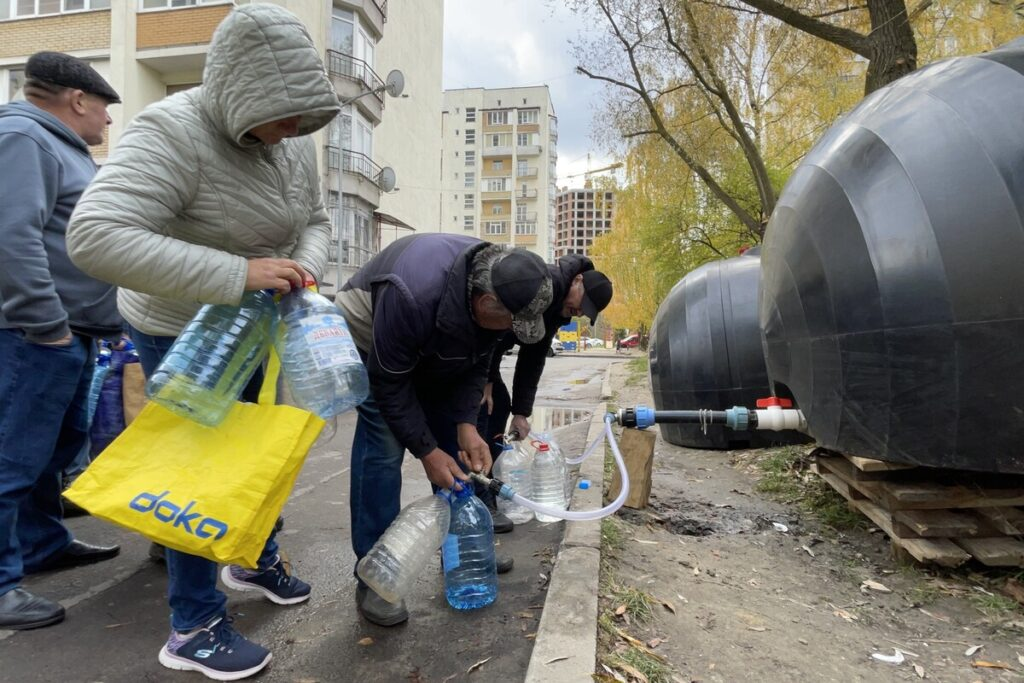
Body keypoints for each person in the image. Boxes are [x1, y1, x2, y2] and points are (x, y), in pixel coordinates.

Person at [67, 6, 339, 680]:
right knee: (198, 467)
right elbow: (95, 235)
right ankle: (192, 623)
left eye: (303, 119)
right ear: (241, 95)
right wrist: (237, 273)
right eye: (281, 116)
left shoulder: (292, 138)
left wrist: (303, 266)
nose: (292, 133)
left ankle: (252, 555)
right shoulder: (171, 131)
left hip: (258, 318)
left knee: (261, 444)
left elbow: (316, 219)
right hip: (179, 326)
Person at [335, 234, 552, 627]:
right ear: (485, 304)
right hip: (370, 335)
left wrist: (466, 425)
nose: (510, 332)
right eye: (510, 323)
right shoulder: (412, 295)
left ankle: (461, 549)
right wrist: (426, 452)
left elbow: (477, 360)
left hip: (428, 336)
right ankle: (373, 574)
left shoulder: (493, 290)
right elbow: (390, 384)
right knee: (384, 444)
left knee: (455, 445)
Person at [0, 51, 123, 632]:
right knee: (12, 459)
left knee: (52, 452)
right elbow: (11, 235)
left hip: (71, 334)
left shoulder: (62, 147)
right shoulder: (25, 137)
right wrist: (45, 323)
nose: (107, 120)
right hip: (34, 336)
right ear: (78, 100)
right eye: (104, 108)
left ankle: (42, 544)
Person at [476, 256, 613, 528]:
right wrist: (486, 380)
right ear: (577, 280)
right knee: (484, 409)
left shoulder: (558, 309)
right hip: (478, 344)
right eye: (582, 303)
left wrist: (521, 413)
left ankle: (488, 492)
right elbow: (493, 334)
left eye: (586, 311)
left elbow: (533, 358)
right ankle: (478, 502)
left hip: (487, 352)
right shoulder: (544, 287)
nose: (579, 312)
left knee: (501, 407)